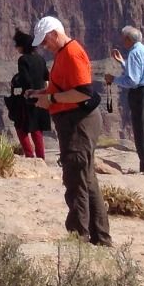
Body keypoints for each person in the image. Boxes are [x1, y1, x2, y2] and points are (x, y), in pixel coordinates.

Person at [29, 15, 110, 246]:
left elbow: (83, 92)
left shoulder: (72, 54)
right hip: (72, 121)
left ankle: (78, 237)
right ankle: (100, 237)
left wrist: (51, 98)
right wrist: (41, 95)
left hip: (79, 123)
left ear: (55, 34)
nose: (44, 47)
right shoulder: (62, 54)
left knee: (75, 179)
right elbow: (64, 87)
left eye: (45, 41)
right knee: (86, 179)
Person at [111, 26, 144, 173]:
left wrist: (114, 79)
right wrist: (122, 62)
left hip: (142, 94)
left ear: (128, 39)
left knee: (143, 130)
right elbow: (142, 71)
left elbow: (133, 80)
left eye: (123, 38)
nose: (122, 41)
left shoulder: (134, 53)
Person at [8, 29, 51, 159]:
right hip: (41, 97)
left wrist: (15, 81)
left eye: (17, 45)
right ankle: (41, 158)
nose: (16, 48)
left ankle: (29, 155)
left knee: (20, 127)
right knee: (37, 129)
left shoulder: (23, 60)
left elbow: (25, 79)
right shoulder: (40, 59)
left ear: (23, 45)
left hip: (28, 98)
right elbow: (46, 76)